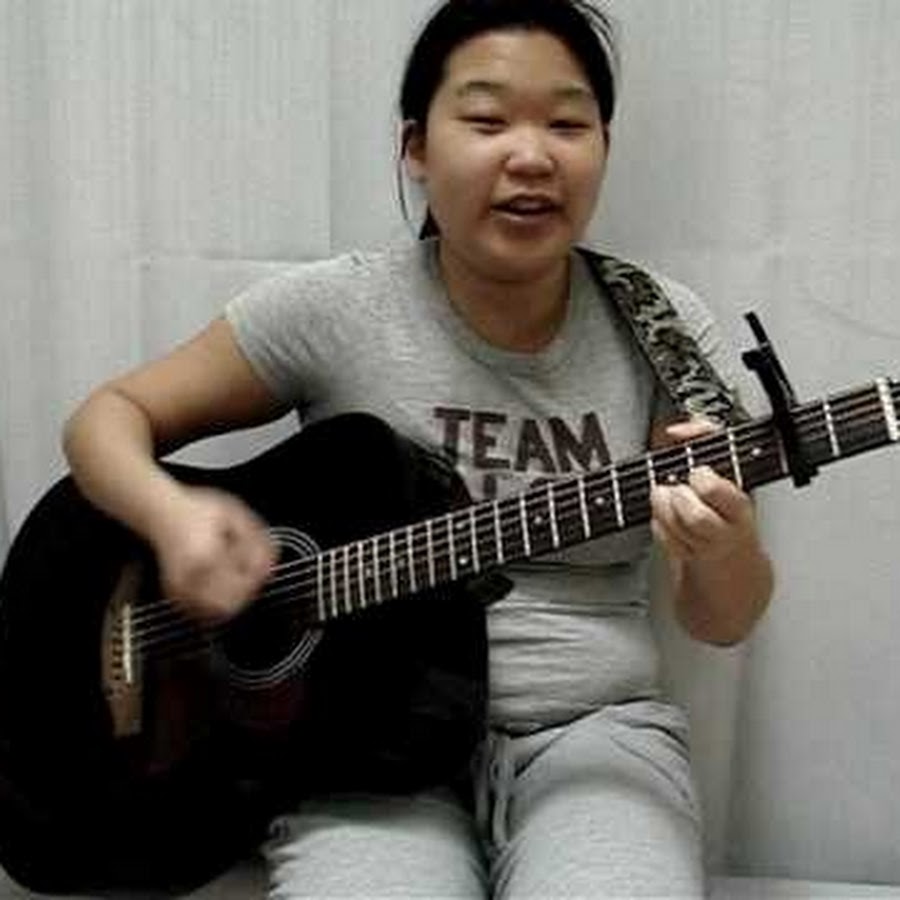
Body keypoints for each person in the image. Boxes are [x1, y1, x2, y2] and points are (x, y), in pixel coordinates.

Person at [63, 0, 773, 896]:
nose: (531, 156)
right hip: (356, 745)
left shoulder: (667, 330)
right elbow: (107, 417)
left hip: (591, 737)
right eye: (486, 120)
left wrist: (721, 548)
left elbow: (724, 620)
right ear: (416, 147)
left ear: (603, 146)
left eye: (567, 124)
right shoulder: (338, 309)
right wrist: (174, 520)